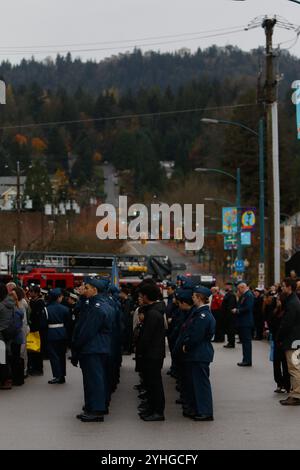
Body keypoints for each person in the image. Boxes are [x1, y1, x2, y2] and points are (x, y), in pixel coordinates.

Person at [71, 278, 112, 422]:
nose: (84, 290)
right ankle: (92, 407)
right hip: (97, 347)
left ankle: (96, 410)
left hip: (93, 348)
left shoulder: (97, 308)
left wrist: (76, 345)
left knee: (94, 381)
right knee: (93, 380)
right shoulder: (99, 304)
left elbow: (87, 331)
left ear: (95, 290)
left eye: (87, 287)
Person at [180, 286, 216, 421]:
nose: (192, 298)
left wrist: (187, 346)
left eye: (194, 296)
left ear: (200, 298)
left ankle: (205, 411)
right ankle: (199, 409)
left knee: (201, 384)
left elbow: (196, 335)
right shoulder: (201, 313)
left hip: (199, 352)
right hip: (198, 352)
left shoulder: (203, 315)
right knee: (197, 383)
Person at [137, 283, 166, 421]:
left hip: (152, 354)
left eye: (142, 295)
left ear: (147, 296)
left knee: (155, 384)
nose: (140, 298)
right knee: (150, 383)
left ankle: (158, 411)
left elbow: (146, 337)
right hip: (152, 353)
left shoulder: (153, 314)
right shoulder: (152, 311)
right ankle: (152, 408)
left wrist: (140, 351)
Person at [278, 278, 300, 406]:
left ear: (289, 288)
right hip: (294, 339)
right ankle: (295, 393)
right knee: (295, 368)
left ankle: (296, 395)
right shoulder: (293, 301)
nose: (282, 288)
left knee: (294, 368)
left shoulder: (292, 303)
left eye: (283, 286)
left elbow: (287, 324)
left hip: (293, 340)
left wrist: (279, 337)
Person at [45, 288, 70, 384]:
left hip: (51, 333)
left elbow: (43, 324)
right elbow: (68, 324)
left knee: (54, 355)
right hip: (62, 333)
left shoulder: (46, 309)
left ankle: (57, 375)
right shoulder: (65, 309)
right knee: (61, 355)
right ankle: (62, 375)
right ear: (58, 297)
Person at [232, 281, 254, 367]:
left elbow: (247, 308)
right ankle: (246, 359)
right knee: (245, 342)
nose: (238, 290)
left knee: (246, 342)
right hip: (243, 322)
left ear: (242, 287)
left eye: (238, 288)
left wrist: (237, 310)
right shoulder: (245, 295)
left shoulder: (248, 295)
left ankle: (247, 360)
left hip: (246, 322)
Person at [222, 281, 237, 348]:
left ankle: (231, 343)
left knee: (230, 329)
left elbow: (230, 306)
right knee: (228, 329)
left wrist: (227, 314)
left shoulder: (231, 295)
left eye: (226, 286)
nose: (225, 287)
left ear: (229, 287)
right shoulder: (228, 294)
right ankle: (229, 342)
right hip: (227, 315)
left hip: (229, 315)